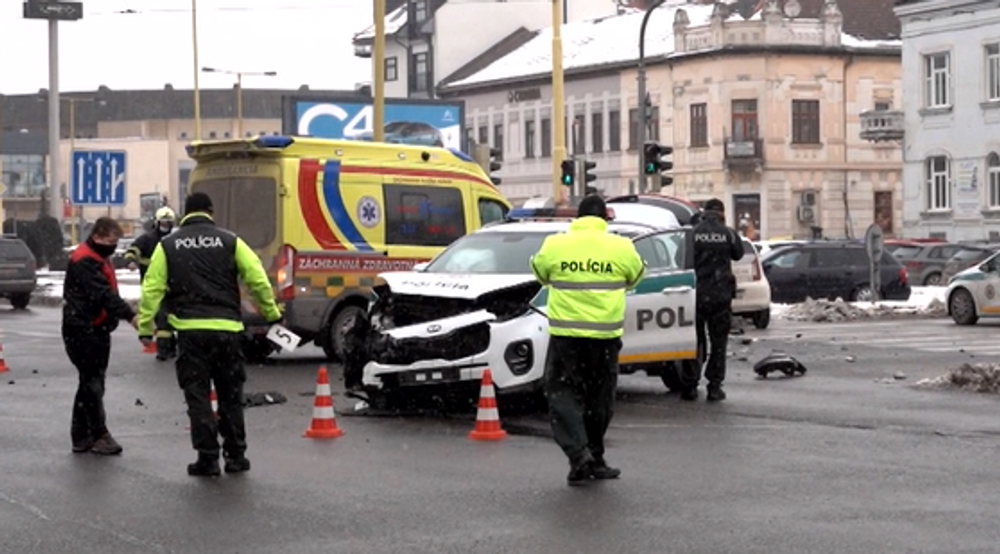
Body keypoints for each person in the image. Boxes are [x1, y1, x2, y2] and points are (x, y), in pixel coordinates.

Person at [137, 192, 282, 477]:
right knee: (231, 396)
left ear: (184, 214)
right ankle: (237, 456)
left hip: (191, 334)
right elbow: (257, 278)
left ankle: (208, 458)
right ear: (210, 211)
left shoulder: (168, 245)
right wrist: (271, 312)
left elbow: (152, 288)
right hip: (227, 332)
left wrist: (146, 328)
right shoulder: (230, 240)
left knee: (198, 396)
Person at [529, 195, 645, 486]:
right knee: (600, 398)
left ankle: (579, 454)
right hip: (605, 338)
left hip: (566, 337)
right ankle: (594, 455)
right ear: (604, 219)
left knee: (562, 392)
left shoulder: (556, 244)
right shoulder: (621, 246)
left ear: (577, 219)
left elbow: (540, 274)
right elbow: (635, 277)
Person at [63, 217, 138, 455]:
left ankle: (81, 435)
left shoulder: (96, 256)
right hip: (83, 329)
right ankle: (98, 434)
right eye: (110, 241)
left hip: (92, 327)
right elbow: (103, 294)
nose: (113, 246)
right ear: (97, 236)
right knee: (92, 382)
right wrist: (130, 315)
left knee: (90, 381)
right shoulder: (85, 260)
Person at [682, 198, 744, 402]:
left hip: (697, 294)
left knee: (695, 342)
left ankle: (690, 385)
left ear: (704, 212)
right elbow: (738, 254)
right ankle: (714, 386)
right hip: (721, 296)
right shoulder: (728, 234)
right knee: (719, 343)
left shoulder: (693, 233)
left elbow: (679, 258)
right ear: (722, 214)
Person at [125, 206, 177, 360]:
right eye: (164, 223)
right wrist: (130, 261)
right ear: (157, 222)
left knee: (166, 318)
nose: (166, 226)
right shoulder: (147, 239)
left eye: (169, 223)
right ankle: (164, 348)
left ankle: (166, 348)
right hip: (152, 285)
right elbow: (132, 250)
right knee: (160, 317)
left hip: (171, 284)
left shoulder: (174, 239)